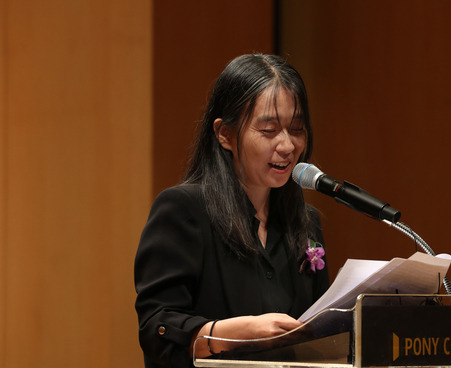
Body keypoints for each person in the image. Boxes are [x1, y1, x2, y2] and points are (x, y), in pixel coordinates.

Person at [134, 53, 329, 368]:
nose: (288, 146)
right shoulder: (184, 210)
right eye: (269, 130)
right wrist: (241, 332)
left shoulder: (306, 223)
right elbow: (157, 330)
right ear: (225, 134)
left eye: (296, 129)